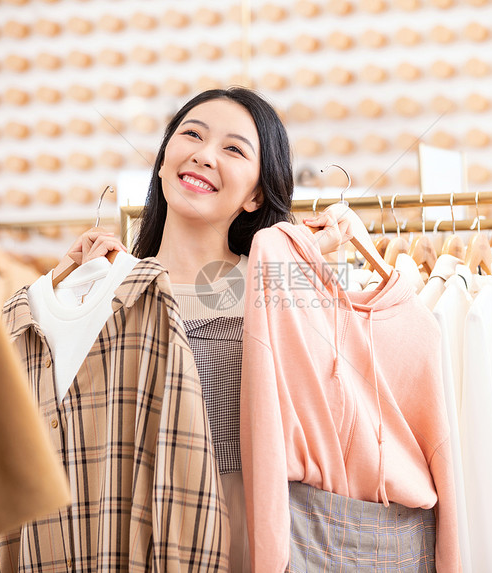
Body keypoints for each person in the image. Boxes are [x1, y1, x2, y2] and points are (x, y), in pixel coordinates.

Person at [53, 87, 350, 571]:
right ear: (165, 158)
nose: (204, 154)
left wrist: (311, 254)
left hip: (246, 544)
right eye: (191, 134)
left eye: (233, 149)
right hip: (121, 539)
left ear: (257, 193)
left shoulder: (273, 287)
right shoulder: (107, 288)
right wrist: (76, 286)